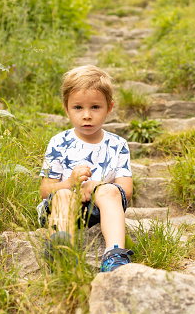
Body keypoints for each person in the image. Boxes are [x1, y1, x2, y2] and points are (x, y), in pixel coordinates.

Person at [37, 65, 134, 272]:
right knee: (62, 194)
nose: (87, 115)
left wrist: (98, 186)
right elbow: (45, 190)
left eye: (95, 107)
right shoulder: (58, 142)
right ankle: (62, 248)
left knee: (110, 191)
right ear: (66, 108)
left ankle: (114, 254)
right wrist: (69, 184)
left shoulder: (118, 144)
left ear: (109, 108)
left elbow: (126, 190)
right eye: (78, 107)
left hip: (100, 210)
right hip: (61, 207)